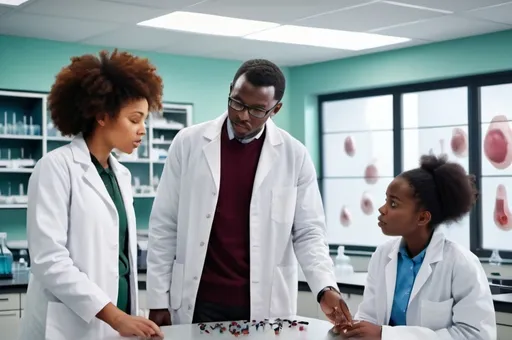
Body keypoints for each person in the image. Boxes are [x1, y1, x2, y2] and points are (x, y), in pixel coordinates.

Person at [145, 59, 352, 327]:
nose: (243, 115)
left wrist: (325, 287)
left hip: (264, 303)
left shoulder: (294, 155)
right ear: (231, 90)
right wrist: (158, 300)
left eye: (257, 110)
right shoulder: (188, 143)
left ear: (275, 109)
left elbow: (309, 232)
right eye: (237, 102)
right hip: (198, 300)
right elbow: (164, 224)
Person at [19, 49, 165, 340]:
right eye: (134, 119)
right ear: (101, 116)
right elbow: (49, 260)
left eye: (144, 120)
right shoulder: (55, 168)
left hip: (119, 322)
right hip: (73, 325)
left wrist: (126, 317)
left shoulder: (119, 175)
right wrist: (115, 316)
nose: (142, 130)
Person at [336, 154, 496, 340]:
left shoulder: (461, 264)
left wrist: (386, 336)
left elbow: (475, 335)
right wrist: (354, 329)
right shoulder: (382, 255)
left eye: (393, 204)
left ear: (422, 218)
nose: (382, 209)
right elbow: (369, 317)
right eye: (386, 200)